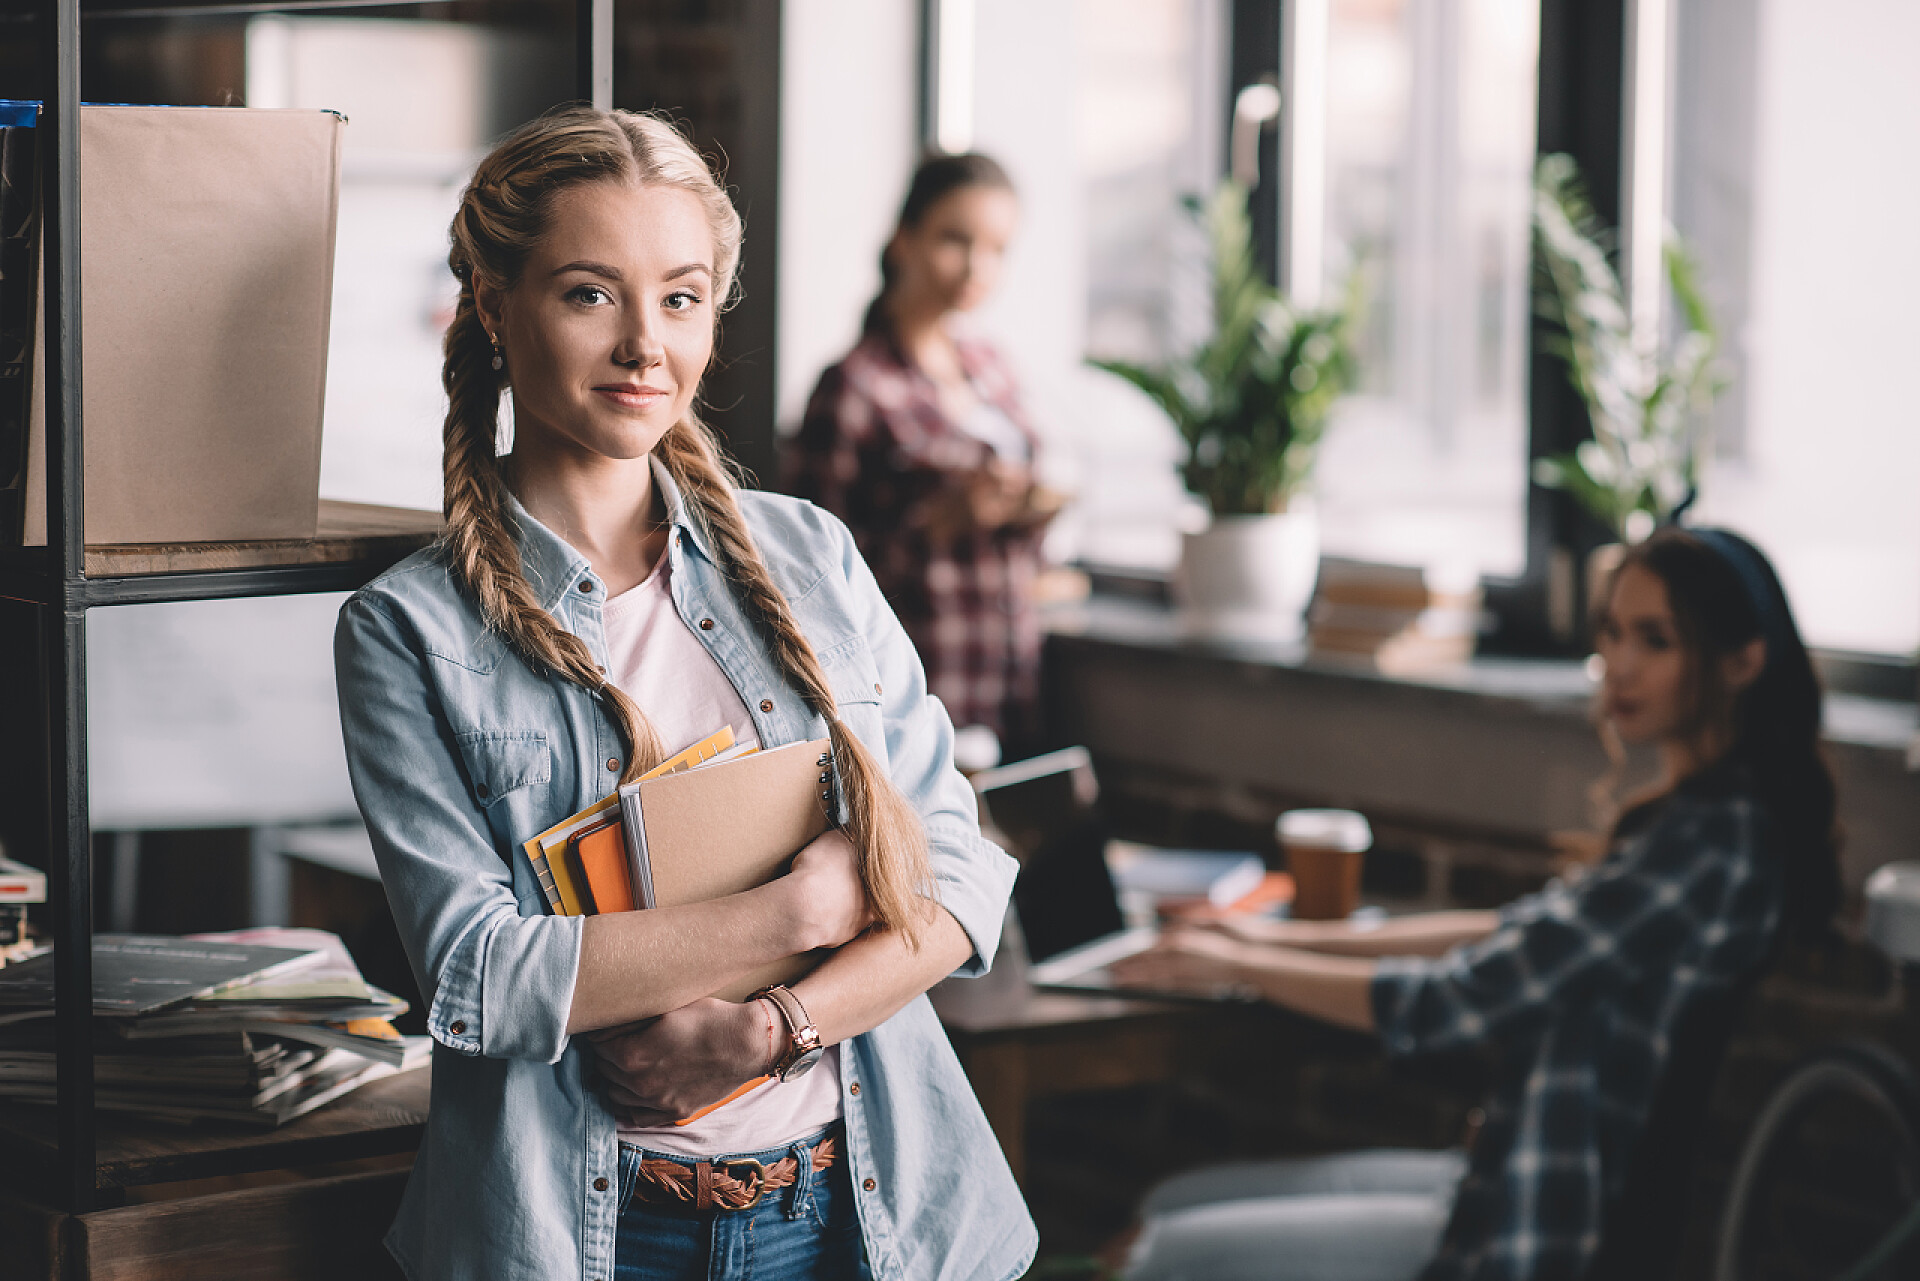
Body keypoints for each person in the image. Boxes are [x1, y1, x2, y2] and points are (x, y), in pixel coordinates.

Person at [333, 107, 1035, 1281]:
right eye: (589, 295)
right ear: (496, 308)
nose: (644, 348)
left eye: (681, 297)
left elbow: (959, 877)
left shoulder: (812, 557)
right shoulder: (410, 629)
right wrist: (797, 914)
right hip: (590, 1236)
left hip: (858, 1216)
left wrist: (769, 1030)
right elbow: (475, 976)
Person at [1110, 526, 1841, 1281]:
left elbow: (1457, 1000)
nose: (1618, 666)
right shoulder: (1691, 822)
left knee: (1157, 1254)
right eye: (1613, 633)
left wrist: (1241, 965)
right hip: (1500, 1169)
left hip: (1547, 1220)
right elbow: (1509, 933)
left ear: (1742, 661)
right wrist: (1253, 944)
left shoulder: (1714, 845)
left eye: (1655, 641)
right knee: (1172, 1200)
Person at [784, 152, 1058, 754]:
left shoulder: (994, 368)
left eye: (997, 249)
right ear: (904, 240)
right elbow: (803, 572)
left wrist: (1031, 511)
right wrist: (935, 525)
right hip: (915, 676)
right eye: (955, 240)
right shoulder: (855, 385)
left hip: (1007, 669)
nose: (976, 266)